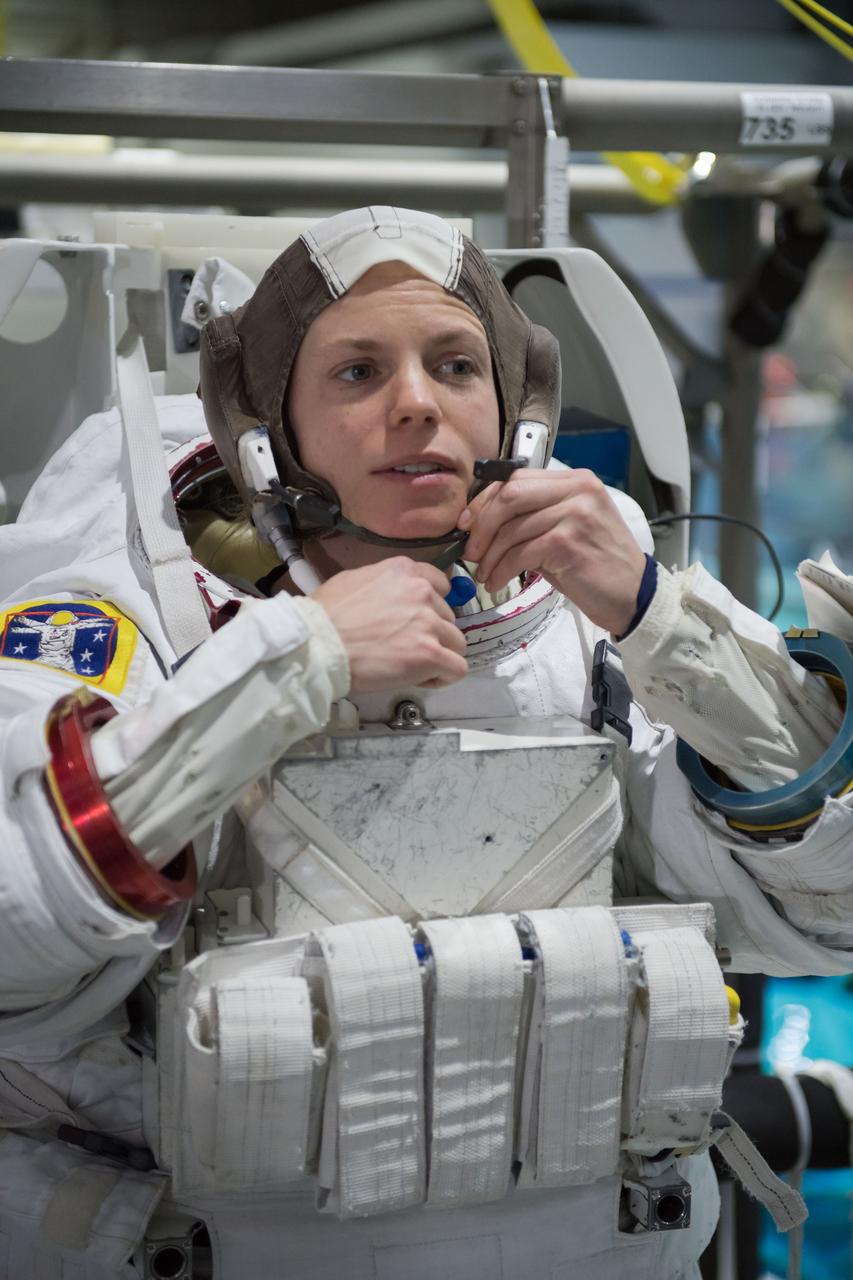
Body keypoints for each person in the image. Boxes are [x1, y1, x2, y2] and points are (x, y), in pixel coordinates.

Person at [0, 205, 850, 1280]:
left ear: (513, 409)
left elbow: (829, 911)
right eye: (357, 372)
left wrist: (659, 618)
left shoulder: (589, 615)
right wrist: (291, 663)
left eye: (454, 363)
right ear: (266, 426)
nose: (415, 404)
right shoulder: (137, 609)